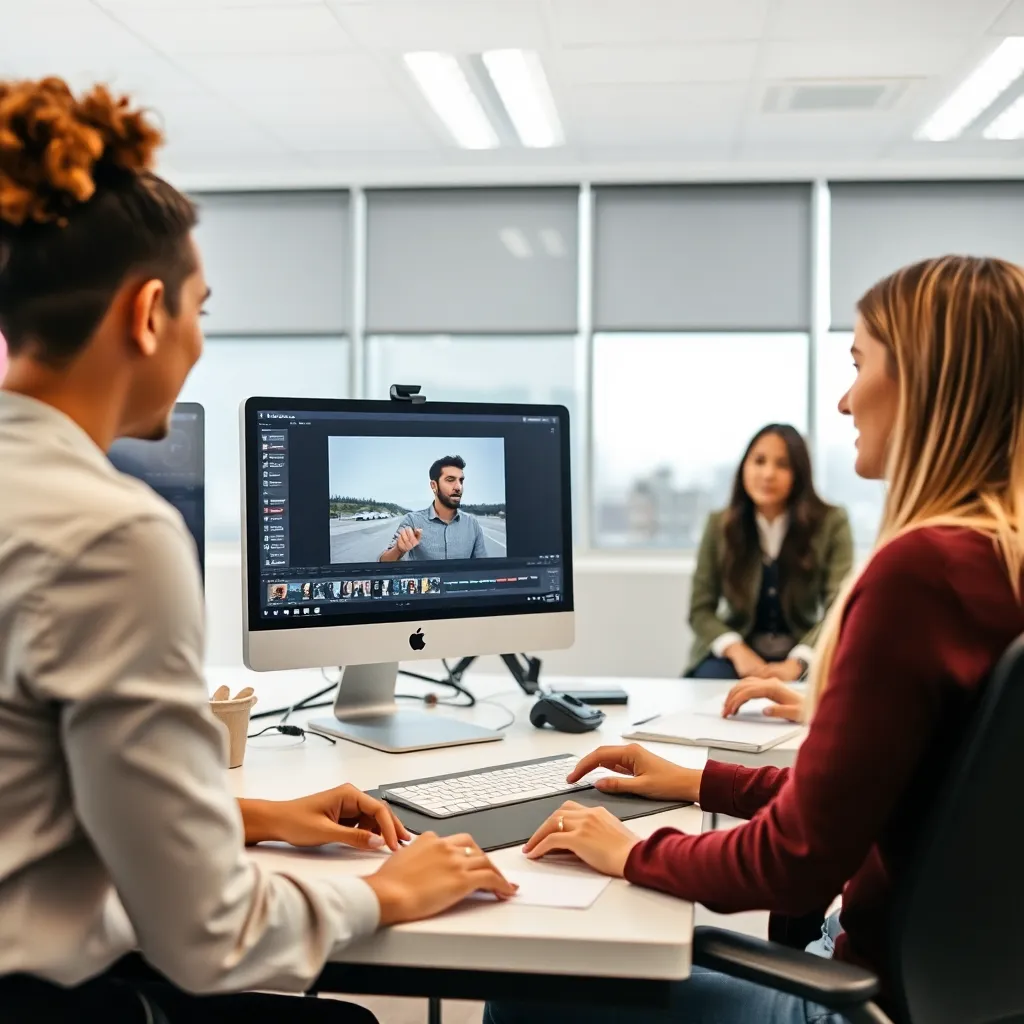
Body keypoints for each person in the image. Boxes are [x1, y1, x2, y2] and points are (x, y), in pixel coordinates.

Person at [0, 77, 515, 1022]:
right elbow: (207, 933)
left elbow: (27, 796)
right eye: (200, 307)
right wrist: (386, 893)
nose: (201, 336)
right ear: (148, 313)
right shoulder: (110, 532)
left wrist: (257, 815)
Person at [484, 254, 1024, 1024]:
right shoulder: (1000, 561)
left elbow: (796, 861)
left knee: (529, 980)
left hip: (861, 1003)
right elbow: (871, 798)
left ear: (926, 382)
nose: (843, 401)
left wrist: (633, 852)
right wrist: (700, 780)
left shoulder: (922, 573)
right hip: (950, 989)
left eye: (858, 363)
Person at [687, 424, 853, 681]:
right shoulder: (719, 524)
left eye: (783, 464)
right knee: (709, 687)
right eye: (759, 461)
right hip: (736, 653)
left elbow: (839, 607)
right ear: (744, 466)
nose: (768, 474)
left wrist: (799, 662)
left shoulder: (831, 522)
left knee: (832, 691)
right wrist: (736, 650)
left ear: (799, 473)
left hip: (802, 649)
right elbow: (700, 610)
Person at [379, 455, 489, 561]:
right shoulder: (412, 521)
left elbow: (484, 568)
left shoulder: (472, 524)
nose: (458, 487)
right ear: (434, 486)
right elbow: (383, 561)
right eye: (450, 480)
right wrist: (399, 550)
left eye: (461, 480)